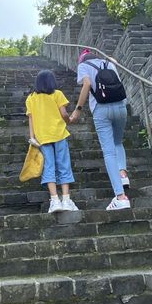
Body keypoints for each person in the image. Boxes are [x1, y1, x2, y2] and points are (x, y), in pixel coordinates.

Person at [69, 49, 130, 210]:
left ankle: (121, 197)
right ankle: (123, 174)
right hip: (121, 107)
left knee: (109, 152)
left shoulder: (83, 65)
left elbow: (87, 84)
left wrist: (78, 109)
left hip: (101, 110)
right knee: (118, 142)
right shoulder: (109, 63)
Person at [26, 69, 79, 213]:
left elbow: (31, 119)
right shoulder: (57, 94)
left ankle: (55, 200)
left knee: (48, 166)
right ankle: (66, 200)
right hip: (59, 134)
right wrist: (70, 120)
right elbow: (64, 114)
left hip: (42, 137)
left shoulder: (31, 98)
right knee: (64, 164)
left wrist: (32, 137)